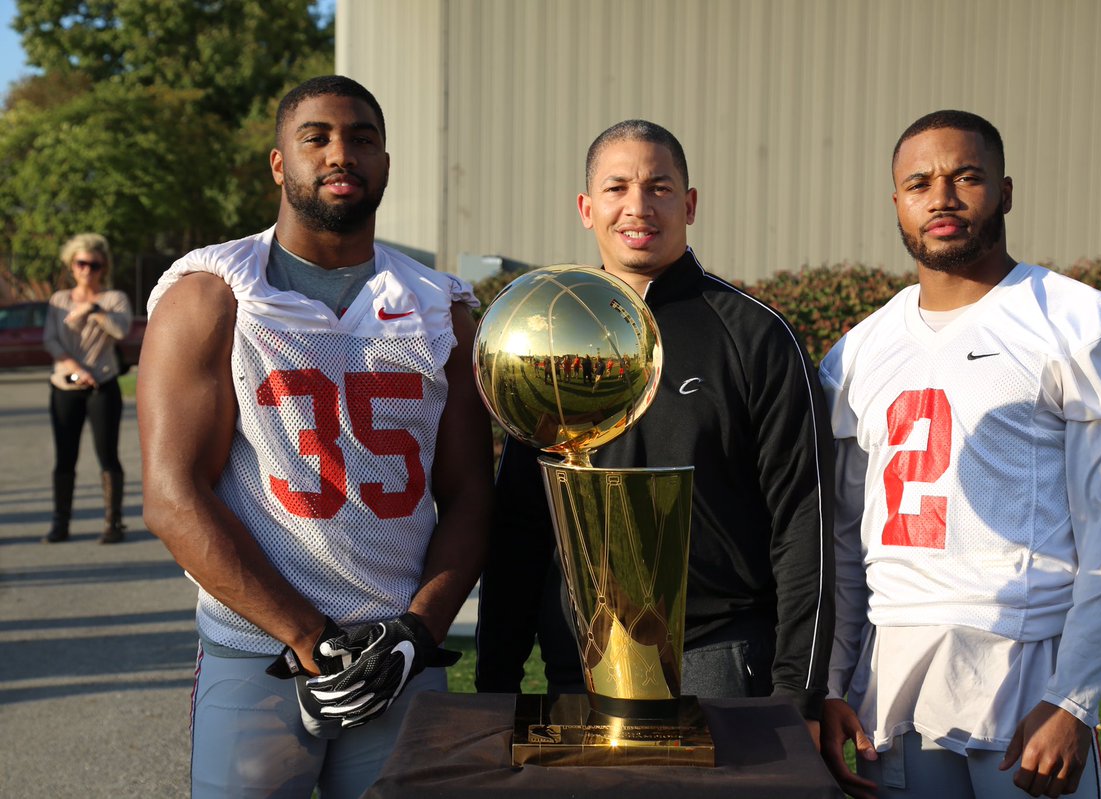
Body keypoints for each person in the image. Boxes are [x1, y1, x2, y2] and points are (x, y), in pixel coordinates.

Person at [138, 76, 493, 798]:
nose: (341, 154)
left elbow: (471, 496)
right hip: (260, 650)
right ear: (279, 163)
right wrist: (308, 634)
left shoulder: (441, 306)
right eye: (317, 137)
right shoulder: (215, 291)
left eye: (362, 138)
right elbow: (172, 496)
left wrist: (417, 634)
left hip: (398, 655)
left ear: (386, 164)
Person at [817, 110, 1101, 799]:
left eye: (966, 176)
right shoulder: (859, 350)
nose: (942, 197)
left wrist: (1074, 698)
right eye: (919, 182)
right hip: (892, 674)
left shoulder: (1080, 324)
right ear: (896, 203)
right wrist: (833, 681)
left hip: (1022, 663)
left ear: (1005, 191)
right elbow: (845, 539)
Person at [475, 119, 835, 739]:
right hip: (578, 663)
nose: (638, 207)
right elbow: (521, 525)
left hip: (716, 662)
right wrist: (495, 685)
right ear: (588, 209)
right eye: (617, 188)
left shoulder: (753, 337)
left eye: (659, 187)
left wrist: (797, 694)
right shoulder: (545, 338)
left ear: (689, 204)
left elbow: (805, 523)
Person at [42, 233, 132, 544]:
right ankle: (60, 523)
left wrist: (94, 309)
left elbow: (121, 330)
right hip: (65, 385)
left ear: (103, 267)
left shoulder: (113, 299)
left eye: (94, 265)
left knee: (107, 454)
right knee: (64, 457)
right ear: (71, 265)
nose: (87, 270)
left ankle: (113, 523)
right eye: (81, 263)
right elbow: (50, 340)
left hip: (102, 387)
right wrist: (76, 369)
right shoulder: (59, 301)